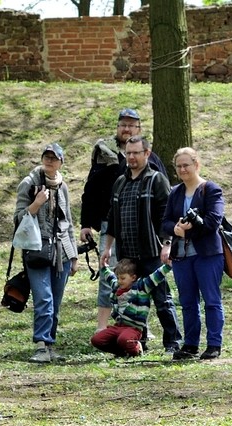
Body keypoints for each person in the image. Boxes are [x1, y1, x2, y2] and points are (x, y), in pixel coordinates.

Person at [80, 109, 169, 333]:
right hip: (113, 230)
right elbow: (90, 190)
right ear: (117, 127)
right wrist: (86, 224)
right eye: (123, 125)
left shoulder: (152, 162)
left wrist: (165, 238)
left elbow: (164, 201)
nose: (126, 129)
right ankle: (103, 327)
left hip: (144, 237)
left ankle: (148, 330)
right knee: (110, 276)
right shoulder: (105, 154)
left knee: (146, 284)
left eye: (132, 125)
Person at [100, 135, 182, 353]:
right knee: (131, 300)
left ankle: (173, 342)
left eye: (136, 153)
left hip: (151, 252)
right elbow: (112, 218)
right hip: (127, 255)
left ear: (147, 153)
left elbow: (166, 215)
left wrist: (167, 244)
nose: (132, 157)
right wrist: (107, 248)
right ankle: (138, 343)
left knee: (162, 299)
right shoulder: (120, 183)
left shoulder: (156, 180)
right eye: (128, 153)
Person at [15, 143, 79, 363]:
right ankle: (41, 345)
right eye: (46, 157)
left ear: (61, 162)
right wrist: (36, 203)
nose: (50, 161)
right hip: (36, 250)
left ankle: (50, 344)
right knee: (44, 298)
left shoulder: (63, 187)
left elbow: (68, 221)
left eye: (54, 158)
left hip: (61, 252)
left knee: (56, 300)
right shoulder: (29, 183)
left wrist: (74, 256)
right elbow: (18, 218)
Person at [161, 147, 225, 360]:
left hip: (207, 254)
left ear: (196, 165)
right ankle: (190, 344)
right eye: (179, 166)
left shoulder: (211, 189)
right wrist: (176, 229)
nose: (182, 169)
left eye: (186, 165)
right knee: (187, 301)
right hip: (182, 255)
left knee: (211, 299)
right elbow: (166, 221)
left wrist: (191, 227)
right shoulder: (175, 192)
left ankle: (214, 344)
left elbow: (214, 221)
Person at [90, 258, 173, 357]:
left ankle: (137, 350)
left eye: (123, 278)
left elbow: (155, 277)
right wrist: (103, 267)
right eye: (118, 278)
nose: (119, 281)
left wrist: (167, 266)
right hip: (118, 326)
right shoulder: (117, 286)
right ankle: (121, 351)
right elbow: (109, 277)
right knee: (96, 340)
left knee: (124, 339)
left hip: (133, 328)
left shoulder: (142, 287)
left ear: (133, 277)